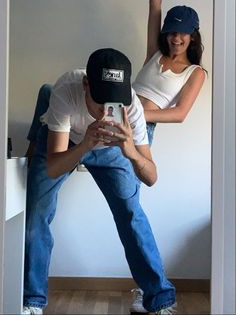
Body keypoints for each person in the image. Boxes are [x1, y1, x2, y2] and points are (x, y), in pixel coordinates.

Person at [23, 48, 177, 315]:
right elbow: (53, 167)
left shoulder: (132, 108)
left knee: (131, 213)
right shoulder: (67, 89)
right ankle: (31, 300)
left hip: (113, 148)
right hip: (70, 139)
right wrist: (84, 146)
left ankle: (159, 297)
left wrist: (130, 151)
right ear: (86, 85)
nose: (106, 111)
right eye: (100, 102)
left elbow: (151, 177)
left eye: (113, 104)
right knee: (36, 212)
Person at [130, 0, 206, 313]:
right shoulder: (153, 52)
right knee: (51, 94)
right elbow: (154, 5)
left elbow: (178, 113)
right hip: (115, 112)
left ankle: (154, 292)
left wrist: (146, 111)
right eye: (172, 32)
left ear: (193, 36)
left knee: (129, 210)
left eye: (183, 34)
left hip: (141, 128)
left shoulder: (195, 73)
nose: (175, 38)